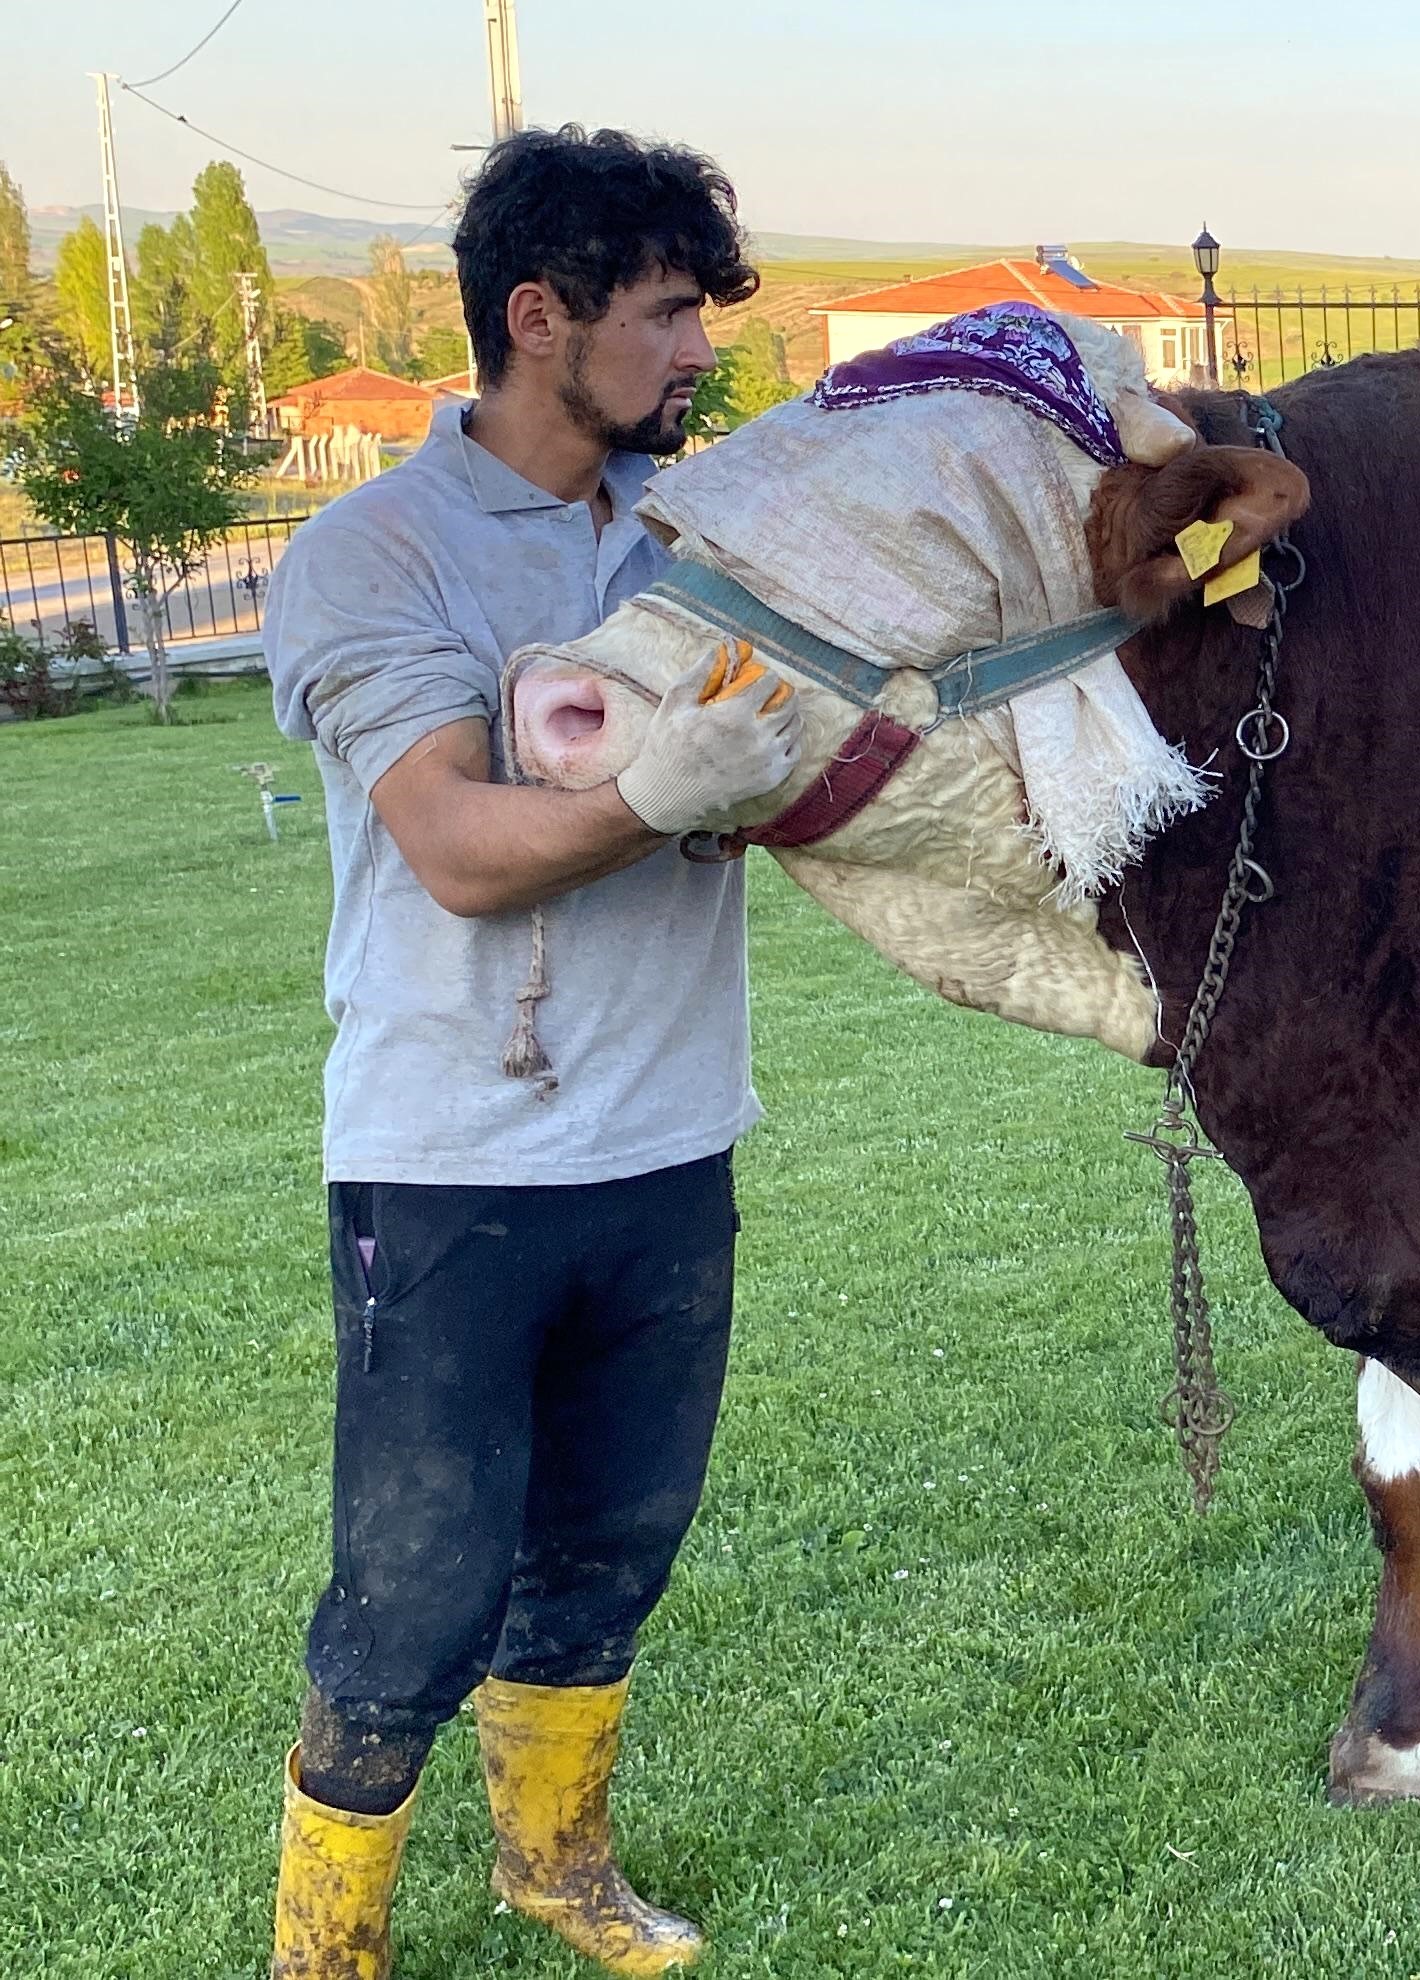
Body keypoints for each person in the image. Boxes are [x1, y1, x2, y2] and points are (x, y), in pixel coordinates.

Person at [262, 126, 797, 1979]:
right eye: (661, 317)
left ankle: (555, 1869)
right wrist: (662, 787)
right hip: (450, 1162)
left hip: (667, 1145)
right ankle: (324, 1951)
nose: (692, 354)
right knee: (412, 1597)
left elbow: (790, 775)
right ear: (538, 316)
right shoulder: (369, 554)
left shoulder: (697, 542)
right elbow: (461, 852)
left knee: (607, 1557)